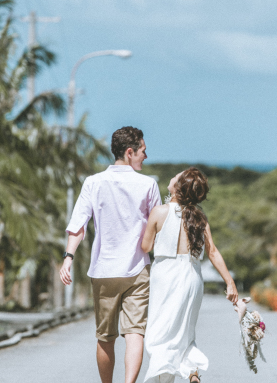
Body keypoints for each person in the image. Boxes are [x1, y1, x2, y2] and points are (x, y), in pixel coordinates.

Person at [60, 126, 162, 383]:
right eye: (143, 151)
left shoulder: (93, 183)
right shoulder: (149, 184)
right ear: (130, 152)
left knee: (105, 337)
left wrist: (68, 258)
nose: (146, 157)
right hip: (139, 269)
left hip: (103, 270)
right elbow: (159, 226)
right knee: (135, 333)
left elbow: (78, 225)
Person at [141, 167, 239, 383]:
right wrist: (229, 282)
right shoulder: (199, 218)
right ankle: (191, 369)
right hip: (192, 277)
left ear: (177, 188)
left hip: (166, 275)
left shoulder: (159, 212)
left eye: (176, 176)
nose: (173, 175)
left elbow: (145, 246)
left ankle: (169, 377)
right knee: (184, 333)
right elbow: (212, 252)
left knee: (159, 335)